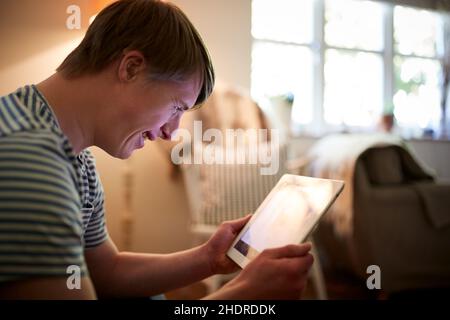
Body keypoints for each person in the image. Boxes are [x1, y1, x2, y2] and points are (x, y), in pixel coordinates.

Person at [0, 0, 313, 299]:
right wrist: (243, 296)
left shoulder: (73, 155)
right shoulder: (31, 159)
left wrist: (209, 258)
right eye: (176, 106)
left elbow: (108, 272)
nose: (171, 132)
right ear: (131, 67)